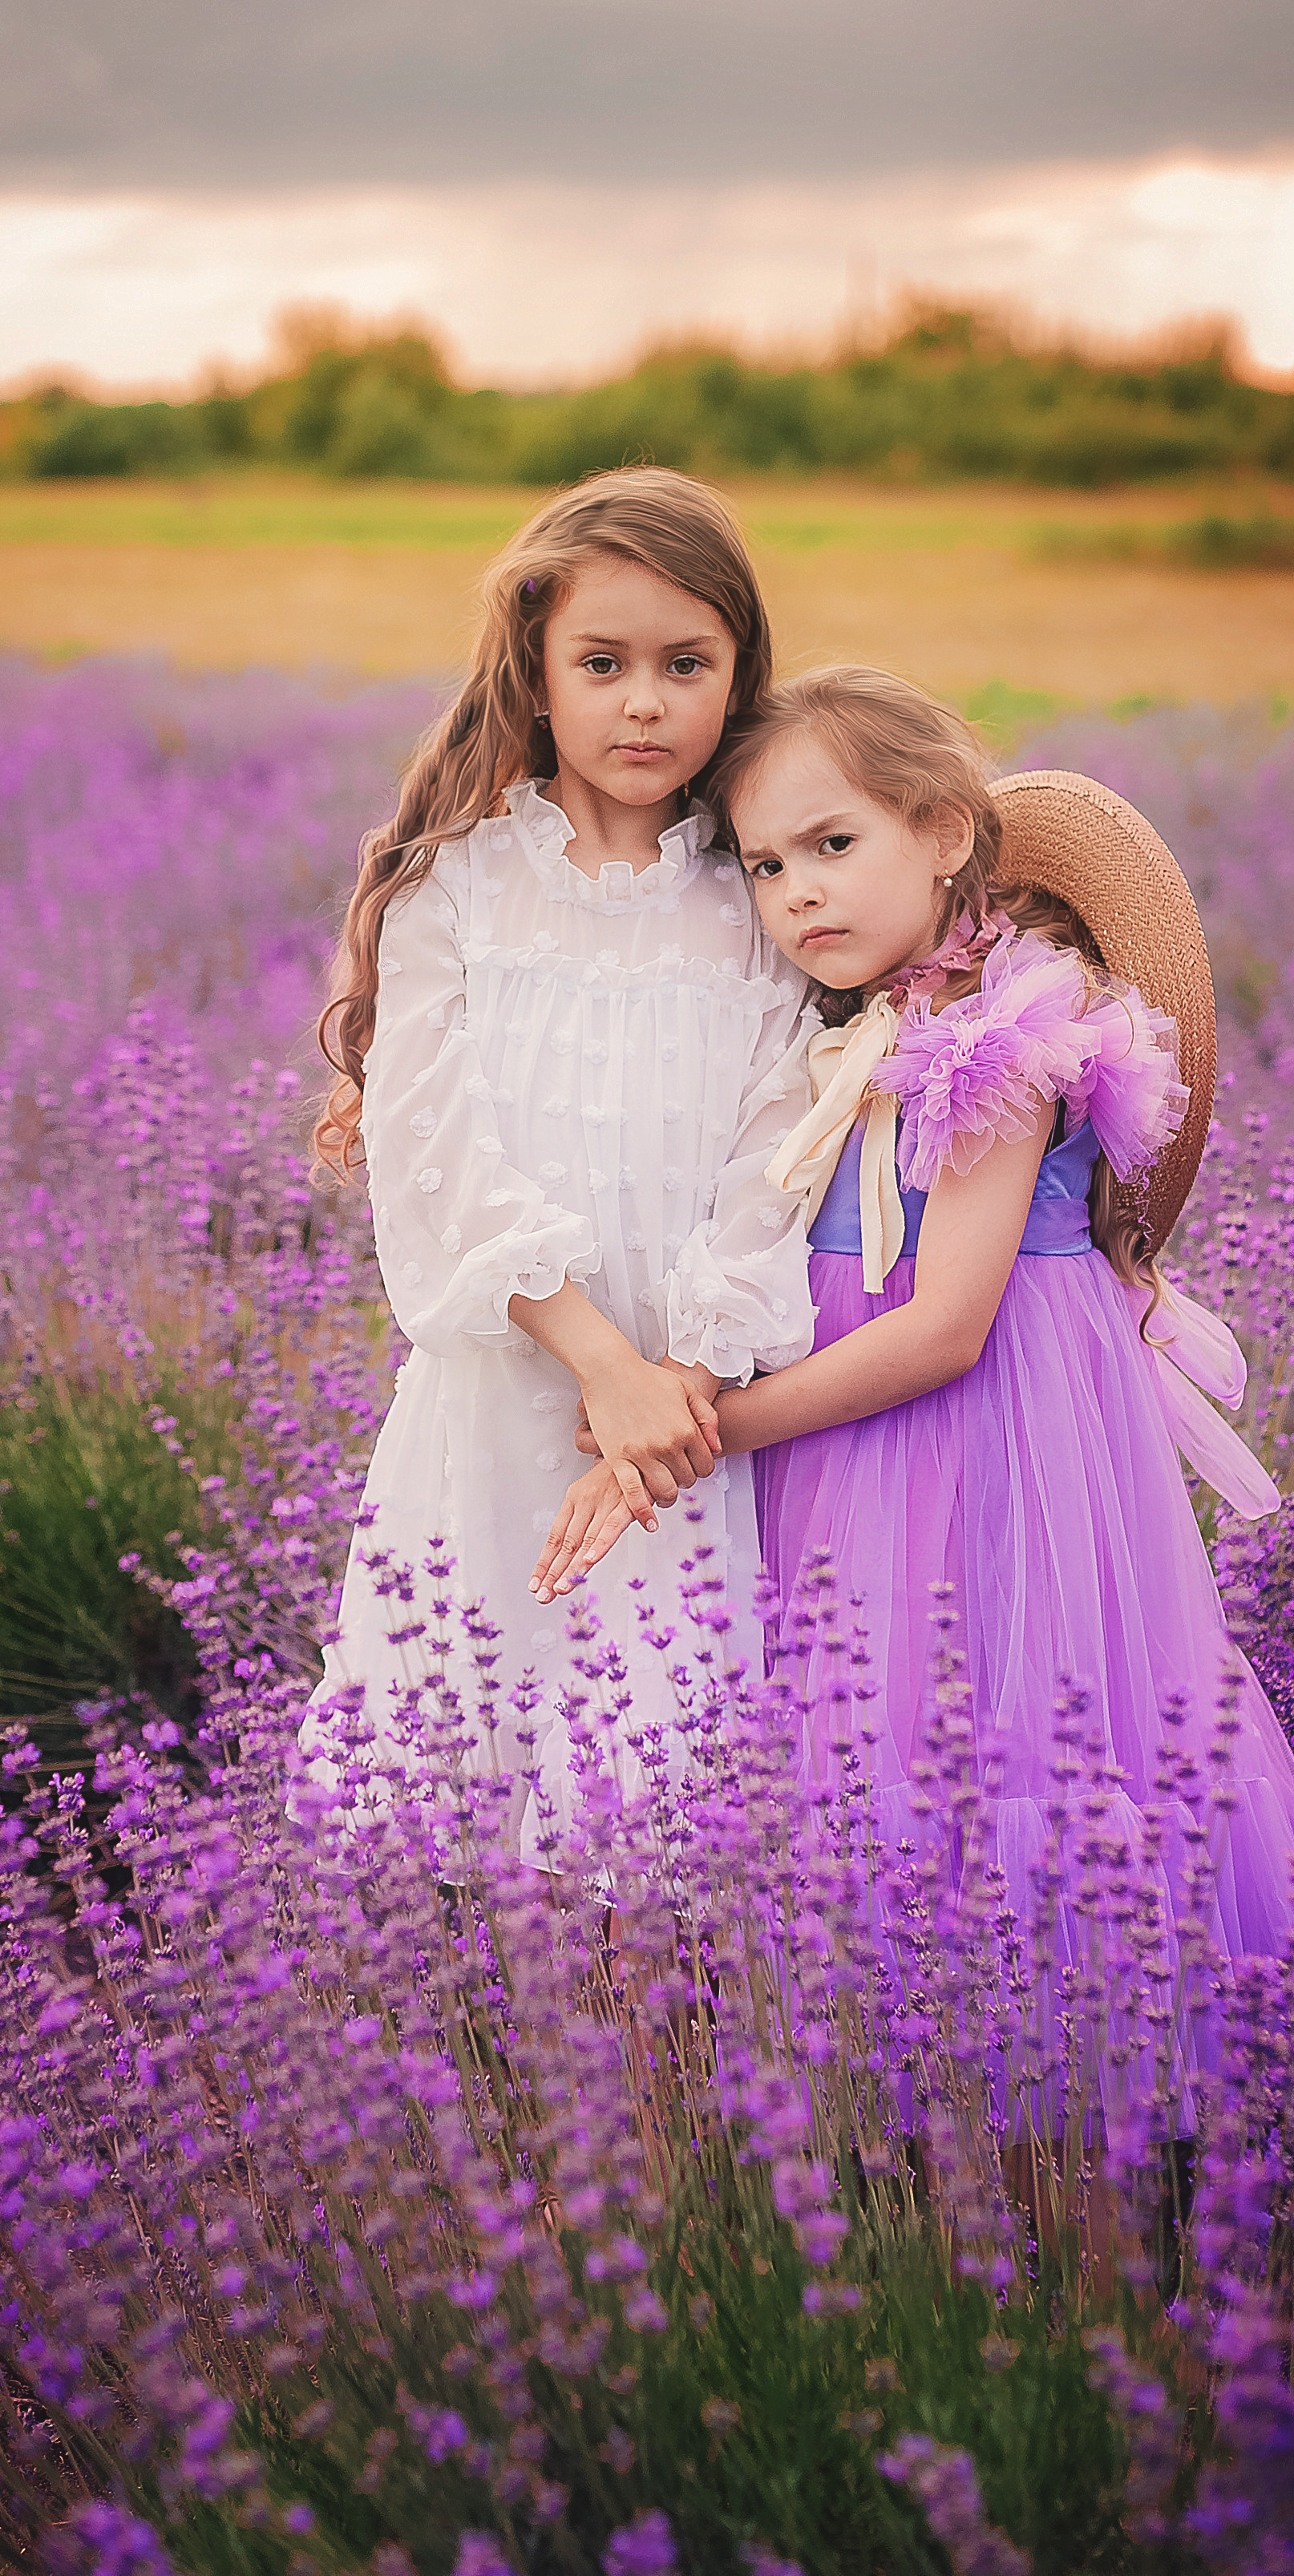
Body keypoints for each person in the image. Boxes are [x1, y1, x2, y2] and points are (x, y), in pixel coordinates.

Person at [535, 665, 1294, 1977]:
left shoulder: (1001, 1033)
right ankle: (904, 2143)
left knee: (1011, 1766)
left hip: (983, 1457)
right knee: (865, 1778)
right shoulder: (846, 1036)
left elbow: (944, 1330)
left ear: (940, 835)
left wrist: (709, 1430)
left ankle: (1065, 2157)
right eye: (762, 865)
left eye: (832, 843)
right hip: (841, 1458)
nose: (796, 889)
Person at [305, 470, 818, 1852]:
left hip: (674, 1438)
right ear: (536, 672)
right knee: (449, 1786)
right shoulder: (457, 883)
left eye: (685, 664)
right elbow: (434, 1154)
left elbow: (782, 1160)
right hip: (509, 1395)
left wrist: (684, 1382)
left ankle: (649, 2073)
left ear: (736, 677)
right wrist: (602, 1361)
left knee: (648, 1827)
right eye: (602, 664)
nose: (643, 703)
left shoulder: (757, 894)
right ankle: (471, 2068)